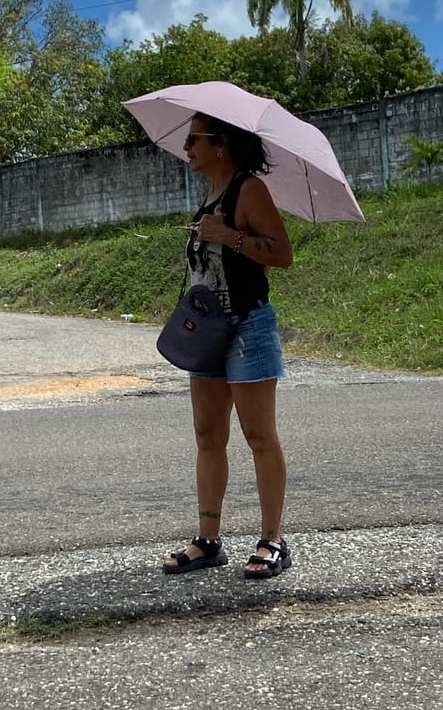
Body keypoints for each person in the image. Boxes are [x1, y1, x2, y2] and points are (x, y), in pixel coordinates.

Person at [162, 111, 294, 580]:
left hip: (247, 327)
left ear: (221, 143)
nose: (186, 147)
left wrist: (229, 236)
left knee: (259, 437)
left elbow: (282, 254)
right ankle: (207, 540)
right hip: (209, 332)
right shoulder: (210, 197)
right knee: (207, 435)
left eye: (193, 138)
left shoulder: (249, 189)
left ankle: (273, 540)